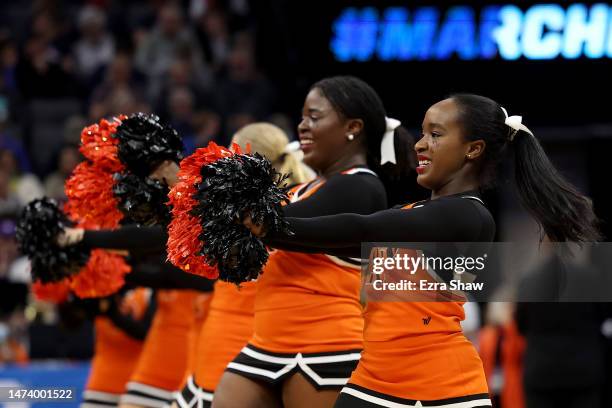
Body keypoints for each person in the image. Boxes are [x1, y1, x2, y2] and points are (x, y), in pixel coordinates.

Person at [242, 94, 600, 407]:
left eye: (436, 134)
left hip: (442, 388)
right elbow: (338, 240)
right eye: (423, 132)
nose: (420, 143)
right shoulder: (414, 212)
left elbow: (362, 228)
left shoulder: (468, 214)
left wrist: (269, 225)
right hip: (375, 378)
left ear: (472, 149)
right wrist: (258, 231)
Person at [212, 76, 416, 408]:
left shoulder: (360, 186)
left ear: (352, 127)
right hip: (265, 343)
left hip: (324, 347)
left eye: (315, 117)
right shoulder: (294, 192)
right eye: (303, 117)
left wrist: (213, 197)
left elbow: (271, 227)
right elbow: (242, 243)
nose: (303, 126)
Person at [176, 122, 313, 408]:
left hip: (241, 343)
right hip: (224, 342)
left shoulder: (272, 215)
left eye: (232, 154)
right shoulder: (264, 211)